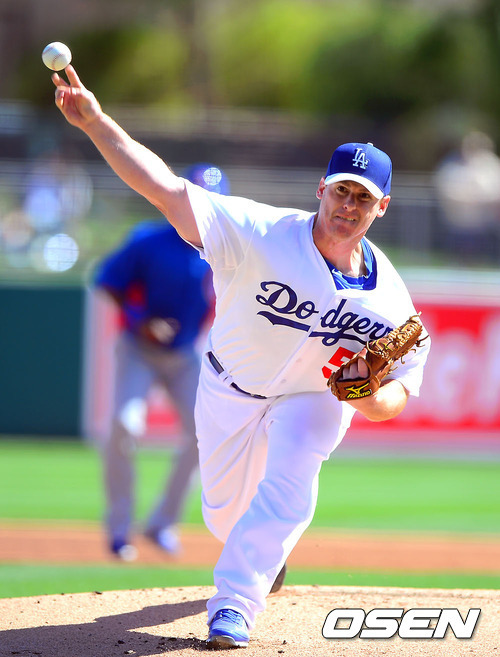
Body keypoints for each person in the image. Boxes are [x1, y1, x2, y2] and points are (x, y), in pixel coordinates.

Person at [51, 66, 430, 649]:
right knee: (225, 516)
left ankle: (233, 605)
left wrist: (370, 394)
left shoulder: (391, 301)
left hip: (313, 397)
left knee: (293, 483)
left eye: (363, 197)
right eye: (341, 190)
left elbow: (399, 393)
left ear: (382, 206)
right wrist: (97, 124)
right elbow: (163, 189)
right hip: (229, 387)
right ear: (321, 189)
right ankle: (262, 552)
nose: (348, 205)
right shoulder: (258, 231)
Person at [94, 164, 226, 561]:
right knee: (124, 425)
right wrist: (141, 321)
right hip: (139, 349)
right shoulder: (150, 239)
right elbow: (108, 281)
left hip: (185, 354)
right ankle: (119, 529)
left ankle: (162, 523)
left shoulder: (226, 249)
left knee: (206, 435)